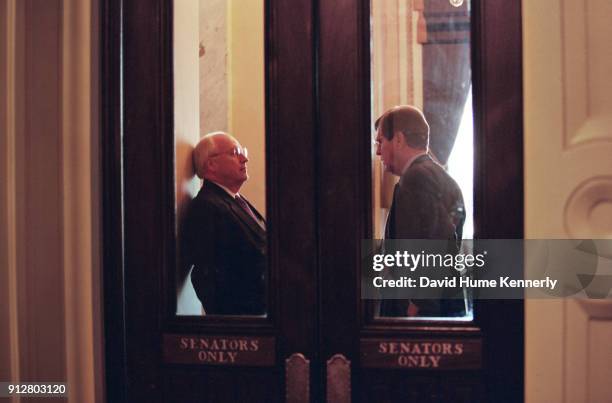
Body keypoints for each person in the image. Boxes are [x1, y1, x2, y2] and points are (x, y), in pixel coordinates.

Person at [375, 105, 465, 317]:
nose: (378, 151)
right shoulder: (440, 176)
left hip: (422, 314)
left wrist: (417, 307)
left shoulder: (416, 179)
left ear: (398, 139)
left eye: (380, 142)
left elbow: (433, 247)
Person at [182, 132, 266, 315]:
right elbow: (206, 275)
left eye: (243, 151)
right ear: (211, 164)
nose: (245, 158)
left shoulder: (235, 199)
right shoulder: (206, 206)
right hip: (244, 322)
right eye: (235, 152)